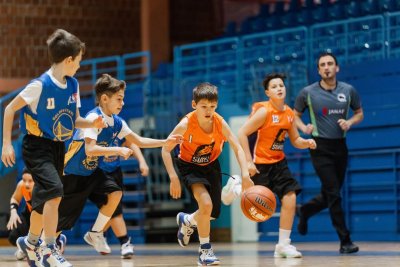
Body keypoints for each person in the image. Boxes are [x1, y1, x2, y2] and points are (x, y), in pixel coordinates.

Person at [1, 29, 107, 267]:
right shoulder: (39, 86)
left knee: (45, 198)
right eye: (79, 61)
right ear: (69, 60)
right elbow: (9, 109)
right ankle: (48, 249)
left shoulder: (73, 85)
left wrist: (91, 123)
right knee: (56, 190)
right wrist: (6, 143)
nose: (80, 66)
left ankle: (29, 243)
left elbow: (75, 118)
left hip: (58, 145)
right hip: (36, 146)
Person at [57, 73, 182, 256]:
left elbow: (138, 140)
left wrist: (166, 141)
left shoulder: (117, 123)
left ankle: (95, 233)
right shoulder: (93, 118)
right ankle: (35, 242)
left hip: (92, 172)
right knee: (63, 221)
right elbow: (90, 149)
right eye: (119, 99)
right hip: (72, 174)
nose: (122, 103)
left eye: (123, 99)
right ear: (104, 99)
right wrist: (118, 150)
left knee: (115, 192)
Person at [161, 82, 254, 266]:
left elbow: (237, 147)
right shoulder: (186, 124)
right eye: (204, 106)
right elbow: (165, 149)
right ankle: (205, 252)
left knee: (211, 213)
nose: (208, 110)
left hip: (211, 165)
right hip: (189, 166)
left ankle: (187, 220)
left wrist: (245, 173)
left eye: (212, 106)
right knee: (206, 204)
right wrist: (173, 176)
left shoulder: (220, 123)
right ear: (194, 105)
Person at [237, 73, 316, 258]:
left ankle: (283, 244)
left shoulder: (289, 113)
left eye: (281, 85)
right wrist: (248, 161)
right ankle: (234, 185)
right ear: (267, 93)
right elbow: (242, 133)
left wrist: (306, 142)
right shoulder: (264, 111)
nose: (279, 88)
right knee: (253, 201)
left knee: (290, 197)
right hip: (260, 164)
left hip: (279, 163)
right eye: (274, 86)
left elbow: (295, 139)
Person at [293, 52, 363, 254]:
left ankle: (305, 210)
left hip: (341, 147)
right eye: (322, 65)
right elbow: (295, 115)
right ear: (318, 70)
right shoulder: (307, 92)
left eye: (330, 64)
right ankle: (345, 240)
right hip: (319, 147)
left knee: (331, 194)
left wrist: (349, 122)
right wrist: (302, 127)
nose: (326, 67)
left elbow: (359, 113)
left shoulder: (348, 90)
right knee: (333, 194)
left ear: (337, 68)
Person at [92, 137, 149, 259]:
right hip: (98, 172)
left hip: (115, 172)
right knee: (114, 210)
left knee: (112, 210)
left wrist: (142, 161)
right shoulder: (95, 124)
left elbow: (131, 142)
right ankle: (124, 242)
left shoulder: (118, 125)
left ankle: (97, 233)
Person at [7, 168, 67, 261]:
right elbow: (15, 198)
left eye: (30, 181)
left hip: (45, 217)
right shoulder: (21, 185)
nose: (26, 184)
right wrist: (13, 212)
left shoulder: (45, 189)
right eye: (24, 180)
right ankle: (28, 248)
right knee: (13, 237)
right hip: (29, 213)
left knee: (44, 243)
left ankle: (59, 240)